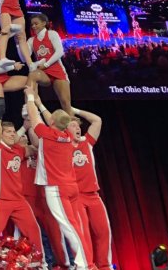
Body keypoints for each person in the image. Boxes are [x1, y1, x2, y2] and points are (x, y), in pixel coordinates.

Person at [25, 89, 93, 270]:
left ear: (52, 122)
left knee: (69, 227)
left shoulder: (47, 134)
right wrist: (40, 103)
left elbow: (33, 116)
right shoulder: (68, 135)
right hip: (71, 187)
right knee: (73, 225)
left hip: (57, 189)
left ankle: (83, 264)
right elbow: (51, 120)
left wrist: (30, 96)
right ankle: (84, 262)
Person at [0, 113, 45, 262]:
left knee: (33, 230)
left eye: (13, 132)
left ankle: (40, 263)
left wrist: (28, 125)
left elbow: (37, 148)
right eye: (9, 132)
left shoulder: (18, 150)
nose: (12, 134)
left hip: (18, 200)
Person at [69, 108, 112, 270]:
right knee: (83, 233)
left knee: (103, 231)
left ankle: (104, 266)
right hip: (76, 197)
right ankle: (88, 266)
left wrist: (74, 110)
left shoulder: (86, 142)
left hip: (93, 195)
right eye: (72, 126)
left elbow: (97, 120)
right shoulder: (62, 147)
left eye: (78, 126)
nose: (77, 128)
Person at [25, 14, 74, 116]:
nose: (33, 26)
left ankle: (72, 127)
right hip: (43, 72)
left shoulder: (52, 34)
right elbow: (23, 57)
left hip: (57, 70)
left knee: (65, 103)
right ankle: (28, 107)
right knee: (33, 75)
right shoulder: (31, 40)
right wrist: (18, 44)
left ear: (44, 23)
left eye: (36, 23)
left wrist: (46, 64)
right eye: (32, 24)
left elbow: (60, 52)